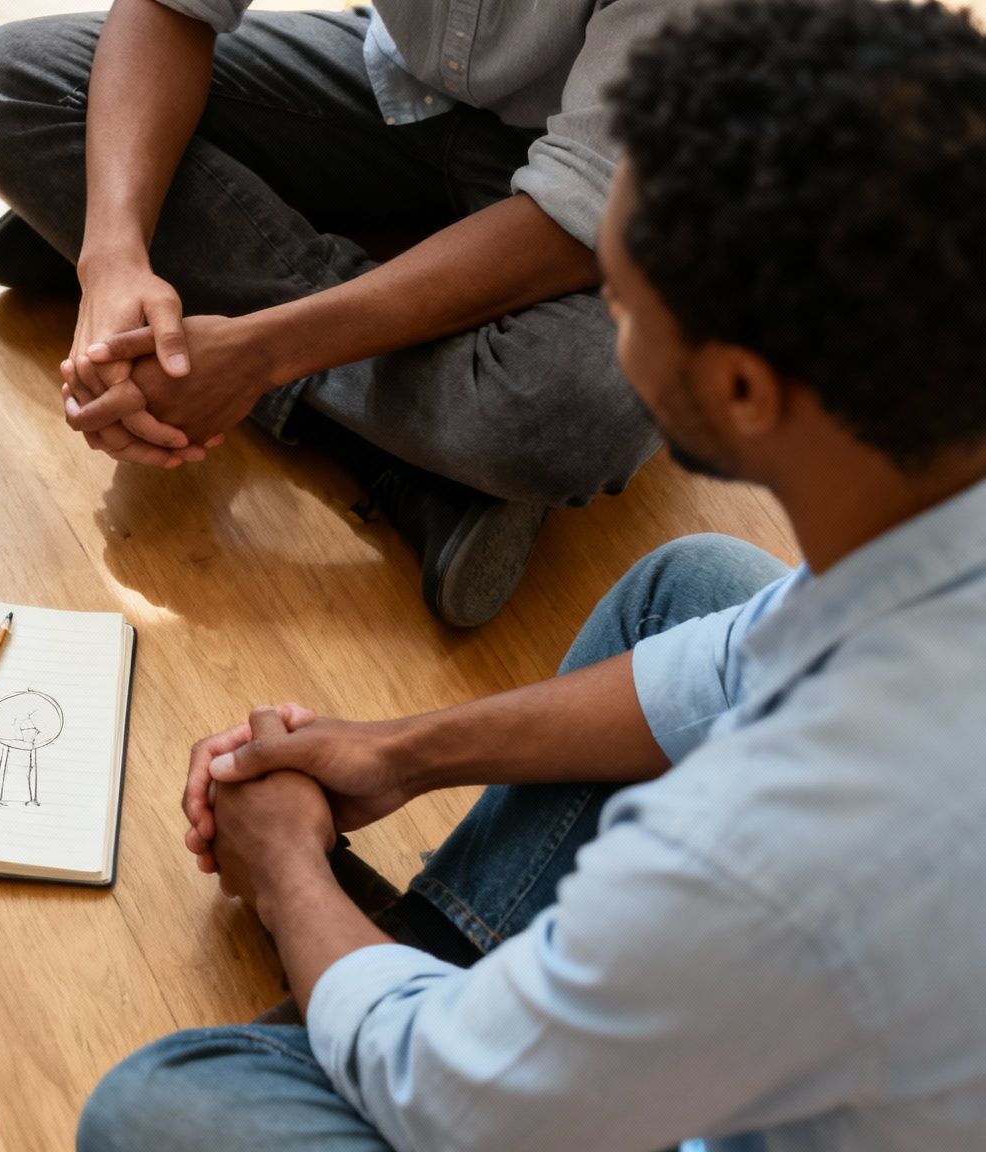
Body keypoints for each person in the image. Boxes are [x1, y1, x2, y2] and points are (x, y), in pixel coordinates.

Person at [79, 0, 986, 1147]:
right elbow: (734, 661)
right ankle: (482, 990)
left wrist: (284, 871)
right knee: (697, 583)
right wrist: (393, 751)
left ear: (744, 391)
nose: (603, 280)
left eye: (623, 269)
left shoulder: (753, 854)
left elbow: (449, 1098)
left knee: (162, 1110)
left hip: (608, 1065)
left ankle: (451, 1003)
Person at [0, 0, 707, 627]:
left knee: (577, 408)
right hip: (403, 91)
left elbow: (588, 210)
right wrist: (111, 255)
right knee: (6, 84)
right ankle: (398, 454)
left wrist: (260, 355)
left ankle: (201, 242)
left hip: (630, 187)